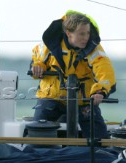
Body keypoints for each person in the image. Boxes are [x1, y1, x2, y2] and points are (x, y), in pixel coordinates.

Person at [29, 10, 116, 139]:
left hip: (84, 101)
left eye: (87, 33)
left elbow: (104, 70)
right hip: (51, 98)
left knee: (99, 138)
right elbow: (37, 60)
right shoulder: (49, 44)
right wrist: (38, 66)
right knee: (37, 132)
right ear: (68, 34)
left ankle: (99, 156)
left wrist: (100, 92)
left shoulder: (94, 48)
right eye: (81, 34)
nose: (86, 37)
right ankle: (37, 156)